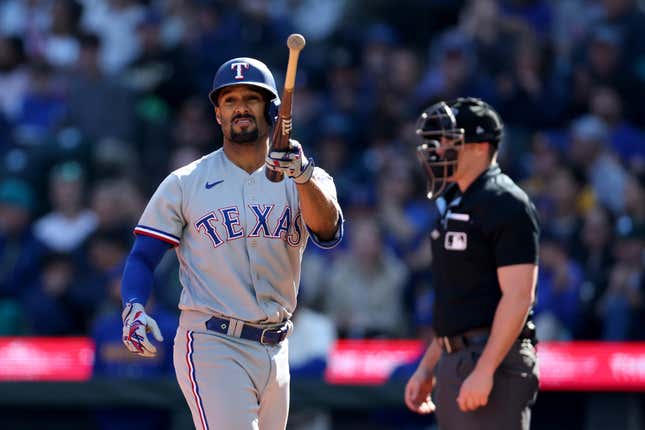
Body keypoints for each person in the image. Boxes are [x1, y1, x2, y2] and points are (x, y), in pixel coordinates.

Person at [119, 56, 343, 430]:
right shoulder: (185, 182)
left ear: (271, 109)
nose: (240, 107)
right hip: (212, 342)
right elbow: (143, 256)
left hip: (276, 346)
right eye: (229, 100)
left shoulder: (309, 178)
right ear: (218, 114)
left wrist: (303, 177)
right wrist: (134, 305)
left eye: (251, 98)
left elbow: (328, 232)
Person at [404, 97, 540, 429]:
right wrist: (427, 368)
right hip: (454, 359)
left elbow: (519, 296)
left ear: (479, 146)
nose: (438, 149)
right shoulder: (456, 202)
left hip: (490, 359)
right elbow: (458, 301)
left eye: (451, 140)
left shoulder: (506, 202)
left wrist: (485, 370)